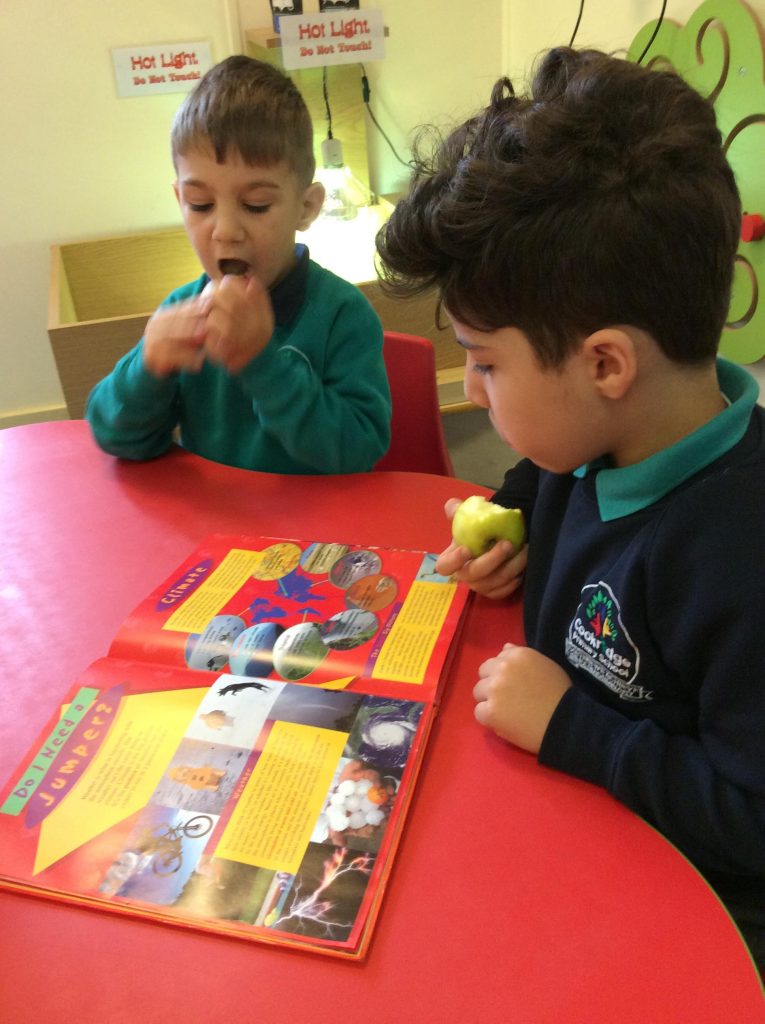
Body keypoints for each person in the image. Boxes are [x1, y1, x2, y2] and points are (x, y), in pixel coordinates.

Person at [375, 47, 765, 970]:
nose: (467, 390)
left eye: (484, 361)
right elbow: (555, 477)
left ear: (604, 364)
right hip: (557, 813)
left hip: (691, 915)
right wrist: (510, 523)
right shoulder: (602, 435)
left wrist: (571, 729)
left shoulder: (739, 560)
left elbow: (751, 820)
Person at [86, 56, 391, 474]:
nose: (226, 231)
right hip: (213, 515)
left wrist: (262, 363)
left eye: (256, 205)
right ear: (180, 200)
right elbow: (116, 438)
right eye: (200, 204)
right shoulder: (184, 310)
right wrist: (147, 368)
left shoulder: (342, 314)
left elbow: (358, 451)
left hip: (318, 517)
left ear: (306, 207)